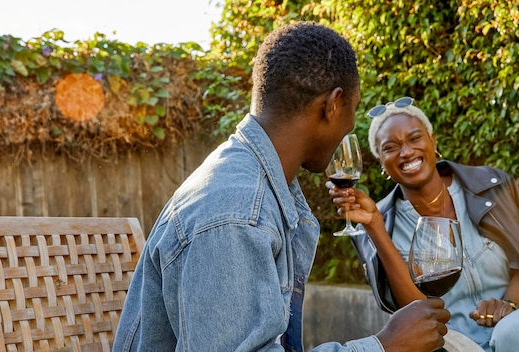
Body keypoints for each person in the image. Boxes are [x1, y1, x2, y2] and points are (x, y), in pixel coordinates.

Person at [112, 23, 451, 352]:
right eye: (354, 109)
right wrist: (384, 346)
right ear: (333, 105)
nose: (351, 127)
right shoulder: (236, 213)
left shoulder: (260, 184)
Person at [327, 97, 519, 352]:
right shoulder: (380, 221)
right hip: (455, 343)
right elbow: (418, 314)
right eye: (390, 147)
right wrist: (375, 227)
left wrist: (508, 304)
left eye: (415, 138)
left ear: (433, 141)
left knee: (515, 332)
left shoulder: (490, 185)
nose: (406, 152)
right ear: (382, 163)